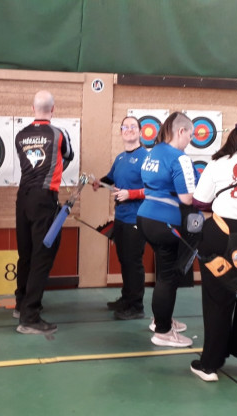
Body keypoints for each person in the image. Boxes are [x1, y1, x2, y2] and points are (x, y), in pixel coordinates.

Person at [190, 112, 237, 382]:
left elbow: (199, 201)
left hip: (219, 235)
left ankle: (209, 365)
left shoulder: (220, 161)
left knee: (217, 300)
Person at [14, 90, 74, 335]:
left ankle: (21, 303)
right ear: (53, 109)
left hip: (23, 198)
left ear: (32, 109)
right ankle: (30, 317)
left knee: (26, 253)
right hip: (44, 198)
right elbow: (68, 156)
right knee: (42, 255)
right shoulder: (59, 133)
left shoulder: (21, 135)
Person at [137, 111, 198, 347]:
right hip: (165, 222)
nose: (190, 140)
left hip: (146, 217)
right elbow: (187, 198)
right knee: (167, 277)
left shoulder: (154, 151)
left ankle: (160, 320)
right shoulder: (179, 157)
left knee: (164, 274)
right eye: (190, 135)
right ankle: (162, 332)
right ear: (181, 131)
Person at [92, 116, 147, 320]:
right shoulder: (121, 158)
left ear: (140, 131)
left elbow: (153, 189)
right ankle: (127, 298)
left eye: (133, 126)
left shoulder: (146, 157)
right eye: (125, 127)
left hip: (136, 219)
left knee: (133, 262)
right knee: (124, 260)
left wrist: (130, 194)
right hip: (121, 217)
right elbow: (111, 178)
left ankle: (136, 306)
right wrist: (99, 182)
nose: (129, 129)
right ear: (121, 131)